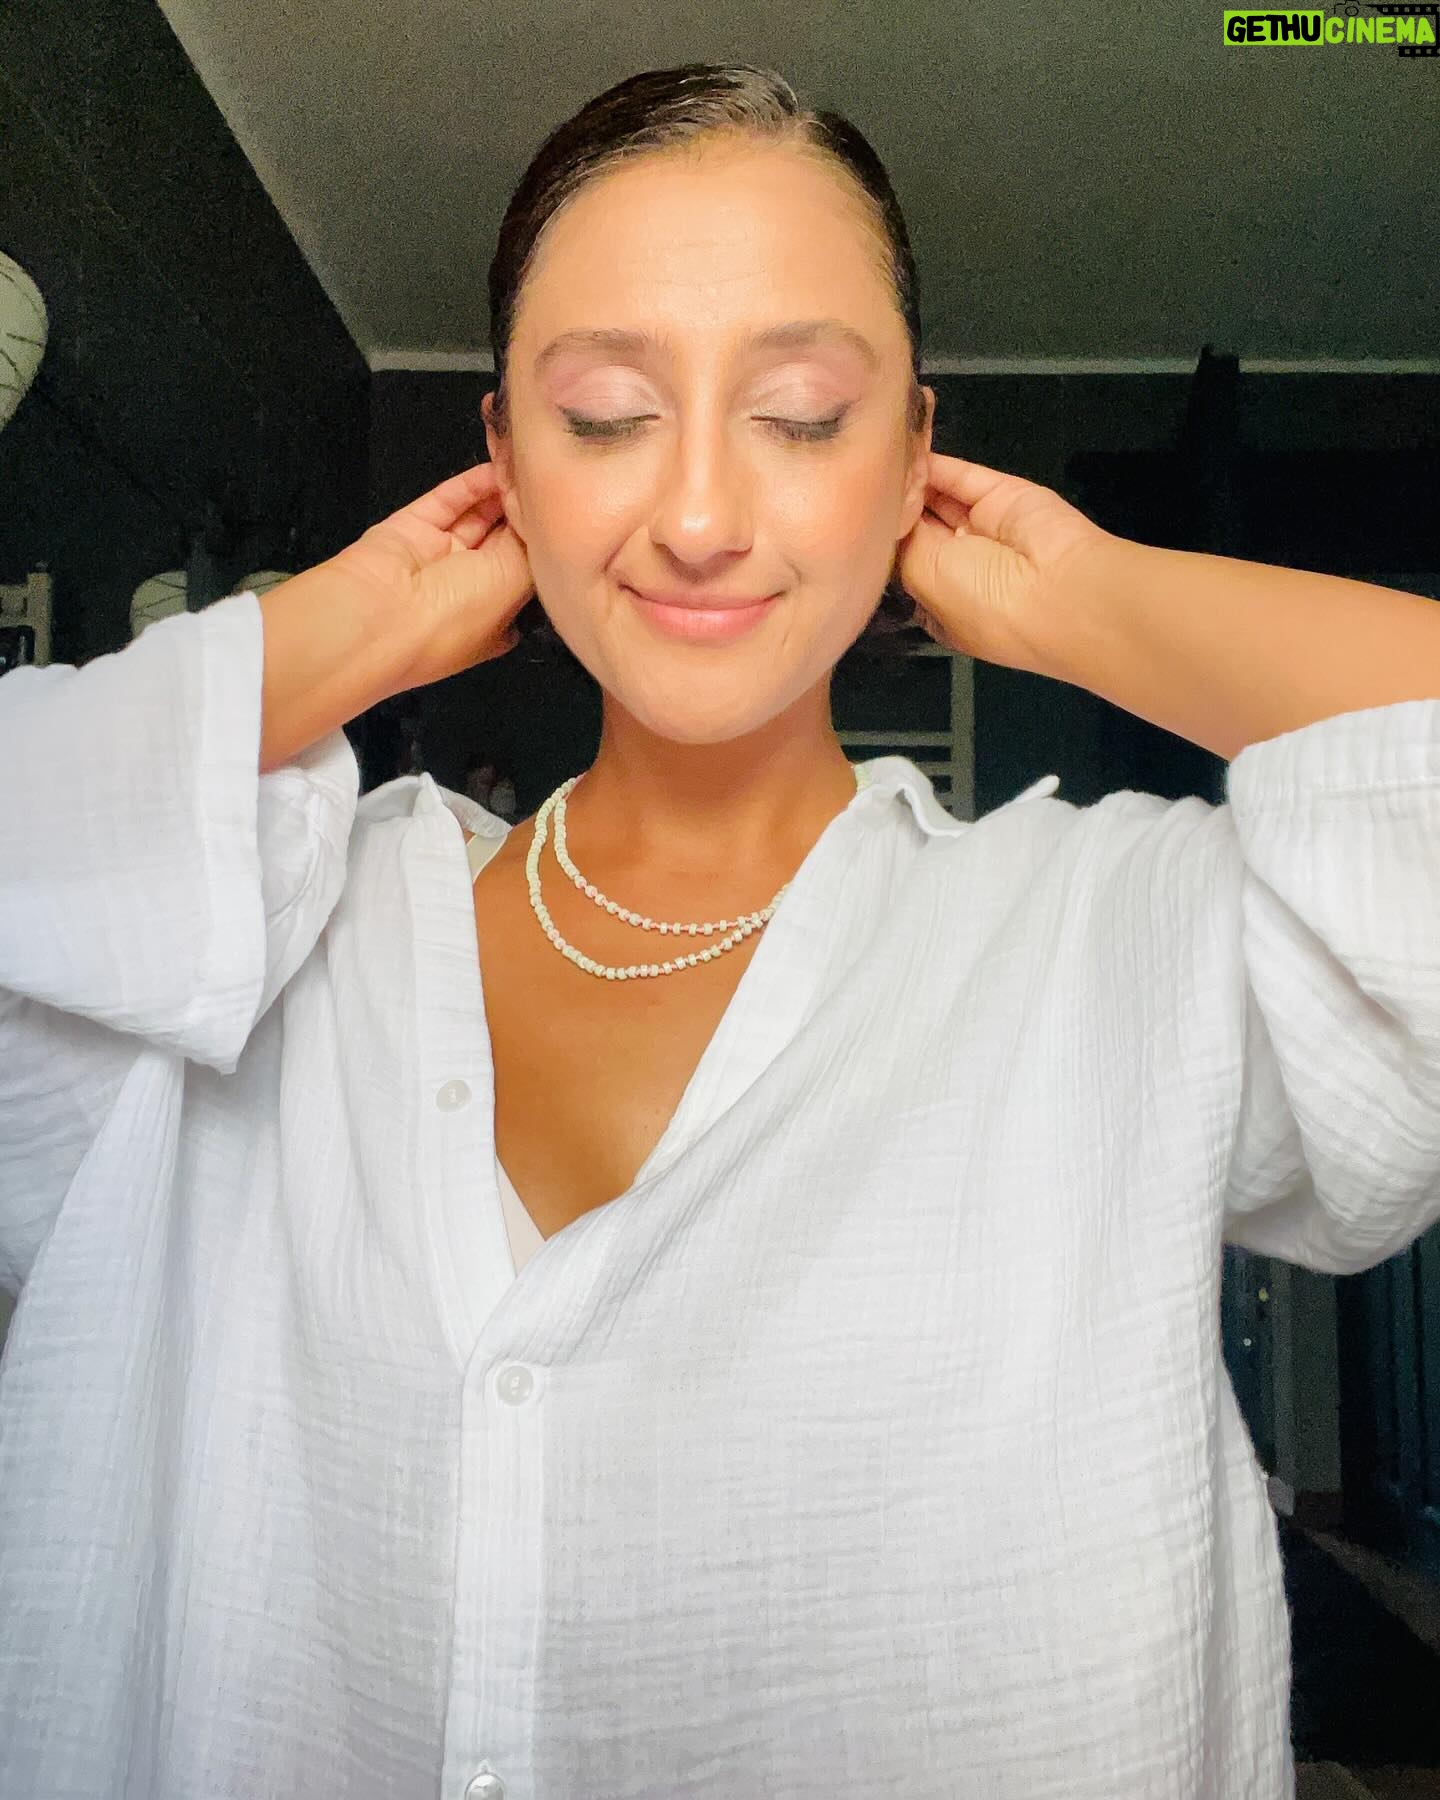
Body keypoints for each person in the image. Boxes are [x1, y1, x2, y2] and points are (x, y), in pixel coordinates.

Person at [2, 61, 1438, 1800]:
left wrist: (1091, 599)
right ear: (504, 461)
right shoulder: (263, 932)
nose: (696, 517)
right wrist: (345, 626)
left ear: (913, 456)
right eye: (606, 415)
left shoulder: (1108, 939)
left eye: (806, 417)